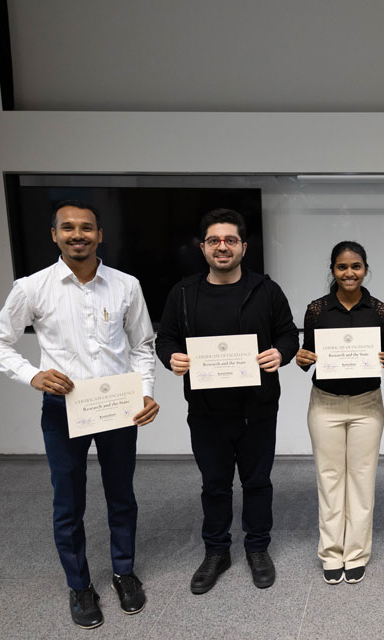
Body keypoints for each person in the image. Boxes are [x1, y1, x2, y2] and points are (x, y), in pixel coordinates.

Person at [0, 201, 159, 629]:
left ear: (100, 235)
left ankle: (123, 572)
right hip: (64, 409)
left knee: (122, 496)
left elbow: (142, 345)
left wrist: (146, 392)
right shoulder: (32, 287)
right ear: (54, 235)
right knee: (68, 502)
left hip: (118, 405)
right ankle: (79, 585)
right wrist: (32, 374)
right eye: (68, 228)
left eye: (86, 228)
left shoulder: (126, 285)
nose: (77, 234)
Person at [155, 208, 298, 595]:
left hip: (258, 410)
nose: (223, 247)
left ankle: (257, 549)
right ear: (203, 248)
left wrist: (280, 354)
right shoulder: (183, 293)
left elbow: (288, 335)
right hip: (206, 412)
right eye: (215, 241)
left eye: (230, 240)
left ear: (243, 247)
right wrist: (171, 356)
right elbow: (165, 339)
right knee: (214, 485)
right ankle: (217, 552)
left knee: (257, 483)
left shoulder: (266, 290)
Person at [295, 241, 384, 585]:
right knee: (329, 479)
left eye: (356, 266)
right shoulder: (316, 310)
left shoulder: (380, 310)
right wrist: (301, 358)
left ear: (366, 269)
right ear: (333, 270)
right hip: (325, 403)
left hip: (368, 404)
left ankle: (356, 553)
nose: (349, 273)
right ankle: (330, 553)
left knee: (362, 479)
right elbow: (307, 353)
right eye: (342, 267)